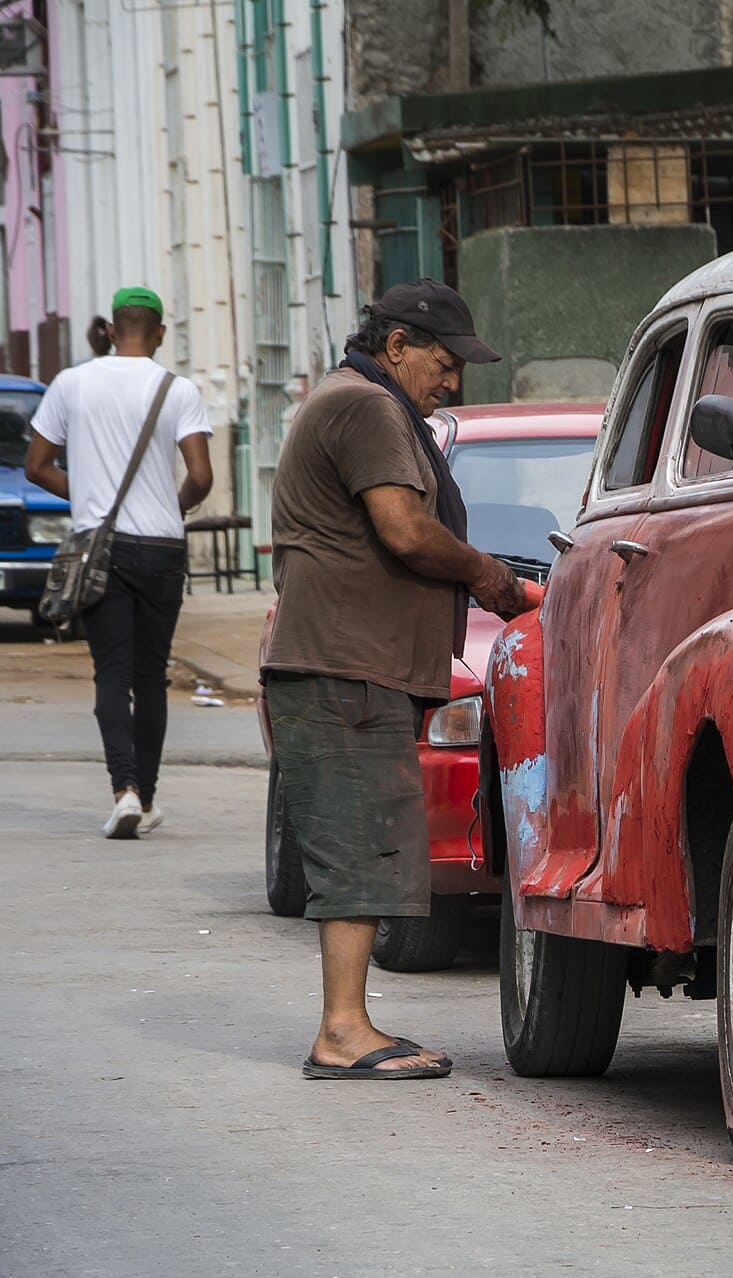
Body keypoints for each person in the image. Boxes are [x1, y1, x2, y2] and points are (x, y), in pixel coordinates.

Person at [262, 278, 525, 1081]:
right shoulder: (366, 408)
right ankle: (341, 1032)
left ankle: (351, 1023)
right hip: (342, 667)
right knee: (356, 849)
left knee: (369, 842)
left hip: (355, 666)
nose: (452, 381)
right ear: (397, 345)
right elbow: (407, 531)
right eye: (443, 363)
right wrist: (487, 576)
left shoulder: (368, 402)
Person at [25, 287, 215, 838]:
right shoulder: (177, 390)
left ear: (111, 328)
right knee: (150, 675)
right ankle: (148, 798)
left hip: (99, 547)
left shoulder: (71, 383)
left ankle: (124, 790)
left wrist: (91, 499)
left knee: (110, 672)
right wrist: (166, 506)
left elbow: (37, 466)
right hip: (161, 547)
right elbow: (201, 477)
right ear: (159, 332)